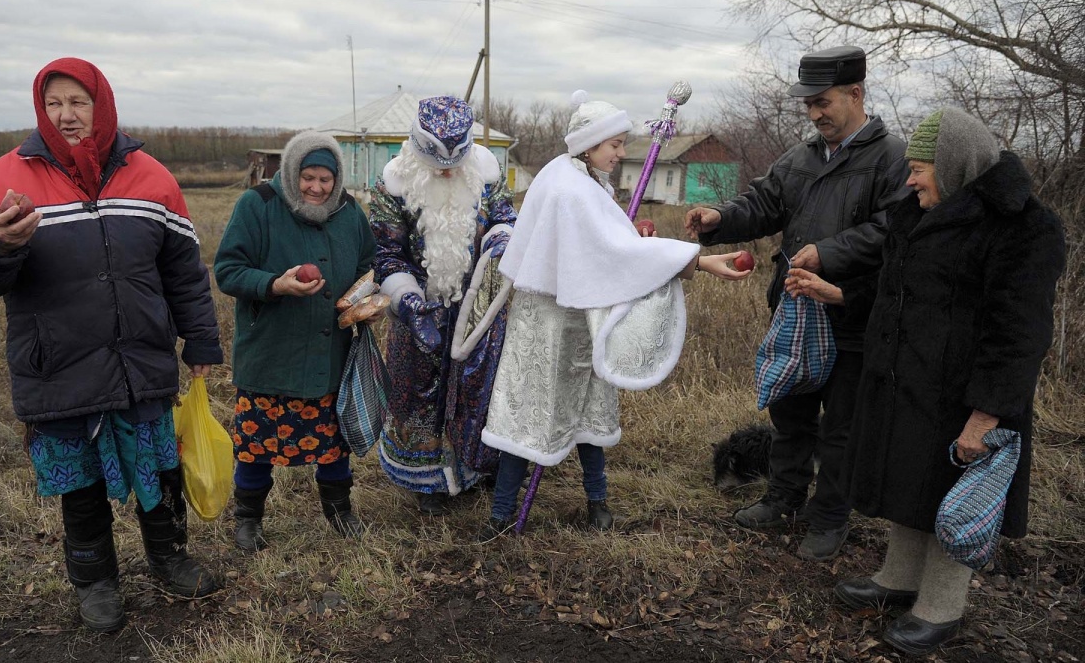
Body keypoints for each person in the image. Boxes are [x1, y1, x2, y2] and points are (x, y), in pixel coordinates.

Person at [0, 58, 223, 632]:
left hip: (141, 360)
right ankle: (96, 583)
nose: (66, 116)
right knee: (81, 484)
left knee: (160, 469)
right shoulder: (4, 180)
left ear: (103, 104)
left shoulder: (152, 178)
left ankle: (170, 559)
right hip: (58, 367)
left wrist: (201, 344)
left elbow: (185, 273)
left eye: (78, 102)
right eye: (53, 104)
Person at [786, 107, 1065, 655]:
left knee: (950, 492)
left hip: (967, 396)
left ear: (955, 165)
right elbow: (898, 293)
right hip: (910, 381)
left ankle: (941, 607)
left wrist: (986, 416)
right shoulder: (916, 214)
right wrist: (839, 294)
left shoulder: (1023, 226)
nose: (909, 179)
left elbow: (1020, 335)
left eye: (919, 168)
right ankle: (898, 579)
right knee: (913, 477)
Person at [479, 91, 751, 538]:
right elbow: (611, 251)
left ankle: (596, 500)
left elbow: (608, 248)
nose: (623, 154)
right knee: (530, 410)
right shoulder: (570, 189)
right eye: (615, 145)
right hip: (550, 322)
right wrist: (695, 260)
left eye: (624, 144)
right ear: (590, 144)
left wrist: (634, 237)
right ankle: (501, 513)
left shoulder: (578, 178)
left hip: (580, 315)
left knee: (590, 407)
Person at [683, 45, 908, 561]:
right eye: (807, 104)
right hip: (793, 310)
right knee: (791, 412)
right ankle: (782, 497)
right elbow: (763, 203)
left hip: (853, 313)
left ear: (855, 94)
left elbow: (894, 230)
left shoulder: (892, 159)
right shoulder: (802, 157)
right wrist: (721, 218)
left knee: (842, 425)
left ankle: (828, 517)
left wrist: (829, 254)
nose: (813, 113)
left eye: (822, 102)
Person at [214, 131, 376, 546]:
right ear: (291, 172)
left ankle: (340, 513)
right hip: (271, 352)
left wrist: (367, 298)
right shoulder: (259, 205)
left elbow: (368, 266)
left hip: (330, 354)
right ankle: (248, 519)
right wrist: (275, 284)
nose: (317, 188)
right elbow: (228, 270)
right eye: (308, 177)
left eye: (326, 179)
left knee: (333, 444)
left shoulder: (350, 211)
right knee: (255, 443)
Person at [371, 96, 517, 515]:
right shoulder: (394, 185)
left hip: (477, 307)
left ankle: (473, 469)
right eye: (439, 163)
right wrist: (407, 298)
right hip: (420, 309)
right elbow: (386, 252)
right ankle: (427, 480)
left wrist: (503, 236)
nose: (449, 170)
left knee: (476, 387)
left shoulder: (486, 174)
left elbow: (504, 216)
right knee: (419, 392)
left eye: (456, 161)